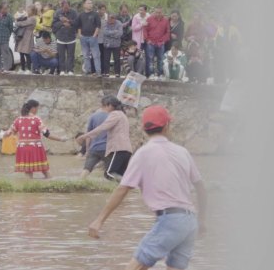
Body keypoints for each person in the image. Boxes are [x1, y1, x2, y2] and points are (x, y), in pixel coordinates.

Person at [87, 105, 207, 270]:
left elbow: (123, 189)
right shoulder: (182, 152)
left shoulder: (144, 153)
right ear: (167, 126)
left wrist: (99, 220)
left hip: (170, 220)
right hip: (190, 221)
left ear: (144, 129)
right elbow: (201, 187)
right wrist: (202, 220)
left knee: (136, 266)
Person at [76, 95, 133, 181]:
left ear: (109, 105)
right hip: (126, 150)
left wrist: (85, 136)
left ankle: (131, 185)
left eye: (104, 106)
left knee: (108, 174)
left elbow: (103, 127)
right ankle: (130, 189)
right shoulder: (122, 115)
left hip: (118, 149)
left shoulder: (114, 114)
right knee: (117, 176)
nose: (103, 109)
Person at [2, 99, 63, 179]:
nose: (37, 110)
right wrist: (61, 139)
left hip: (22, 148)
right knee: (44, 170)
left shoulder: (18, 120)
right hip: (35, 148)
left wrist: (2, 135)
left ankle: (28, 188)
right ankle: (50, 186)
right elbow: (47, 134)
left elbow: (8, 133)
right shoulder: (37, 119)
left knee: (28, 171)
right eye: (37, 108)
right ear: (33, 108)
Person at [79, 106, 109, 179]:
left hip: (94, 148)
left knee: (87, 169)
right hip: (108, 148)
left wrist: (87, 150)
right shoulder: (111, 116)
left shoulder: (93, 116)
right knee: (109, 171)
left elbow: (89, 135)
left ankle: (79, 183)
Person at [52, 0, 79, 76]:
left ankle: (70, 70)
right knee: (61, 56)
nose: (66, 9)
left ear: (69, 6)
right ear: (62, 6)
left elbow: (77, 23)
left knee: (71, 55)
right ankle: (62, 70)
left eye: (67, 7)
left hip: (71, 37)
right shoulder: (57, 13)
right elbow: (54, 24)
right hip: (60, 37)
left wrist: (69, 21)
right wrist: (62, 23)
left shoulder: (74, 13)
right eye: (64, 7)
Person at [144, 7, 171, 80]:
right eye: (157, 12)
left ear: (162, 13)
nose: (158, 14)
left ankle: (160, 74)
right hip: (150, 42)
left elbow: (167, 32)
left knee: (161, 59)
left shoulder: (166, 21)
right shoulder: (149, 19)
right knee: (150, 58)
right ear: (154, 12)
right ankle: (150, 74)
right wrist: (147, 39)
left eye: (160, 12)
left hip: (160, 43)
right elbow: (145, 29)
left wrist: (163, 41)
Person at [77, 0, 102, 76]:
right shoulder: (81, 15)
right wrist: (80, 35)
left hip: (93, 37)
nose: (90, 4)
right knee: (85, 55)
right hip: (83, 37)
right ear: (84, 5)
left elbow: (98, 26)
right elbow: (79, 26)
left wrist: (94, 35)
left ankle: (98, 72)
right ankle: (87, 71)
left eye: (91, 3)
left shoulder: (95, 14)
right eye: (88, 3)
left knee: (96, 55)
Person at [0, 2, 14, 73]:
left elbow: (11, 28)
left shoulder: (9, 17)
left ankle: (6, 69)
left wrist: (8, 35)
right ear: (0, 9)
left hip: (4, 38)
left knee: (5, 54)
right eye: (4, 8)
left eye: (7, 9)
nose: (6, 10)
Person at [15, 4, 38, 74]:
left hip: (28, 36)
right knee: (21, 53)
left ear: (33, 11)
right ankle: (22, 68)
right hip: (23, 36)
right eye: (27, 10)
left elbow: (23, 23)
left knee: (27, 53)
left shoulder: (33, 18)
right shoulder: (27, 17)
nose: (27, 11)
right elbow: (20, 20)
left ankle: (28, 69)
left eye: (29, 10)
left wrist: (17, 22)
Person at [102, 13, 124, 78]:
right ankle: (106, 73)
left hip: (116, 45)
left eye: (112, 18)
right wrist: (114, 31)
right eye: (109, 18)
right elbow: (105, 32)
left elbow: (120, 34)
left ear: (115, 19)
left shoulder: (119, 23)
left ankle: (117, 73)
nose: (110, 20)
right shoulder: (106, 23)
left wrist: (110, 34)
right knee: (106, 59)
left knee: (117, 59)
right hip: (107, 44)